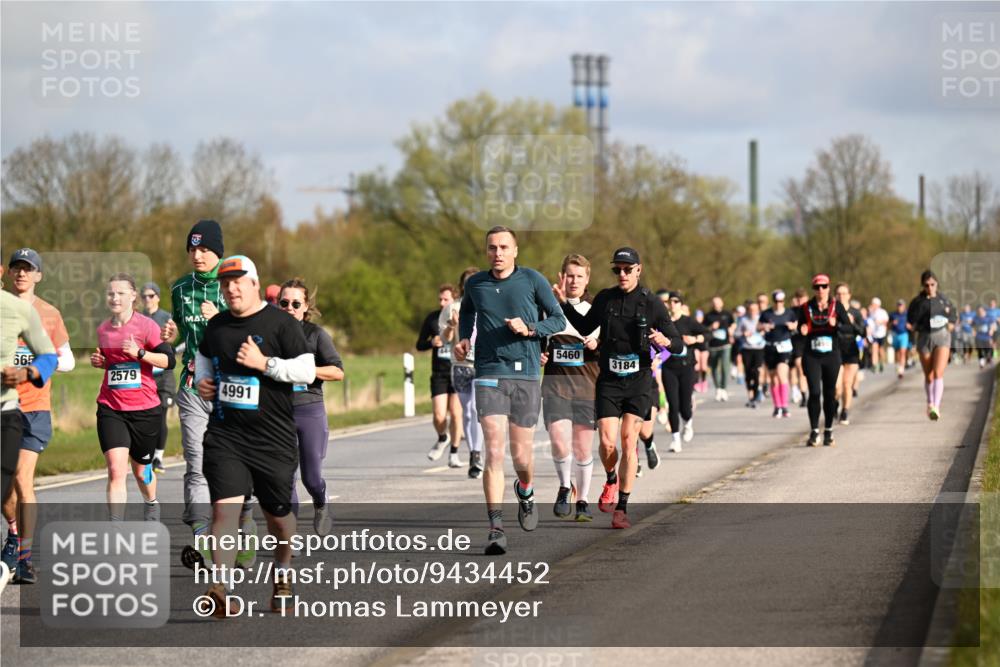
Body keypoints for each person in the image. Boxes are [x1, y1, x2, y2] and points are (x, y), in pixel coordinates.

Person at [195, 255, 315, 617]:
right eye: (225, 283)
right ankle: (221, 587)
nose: (230, 288)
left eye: (237, 281)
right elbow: (203, 355)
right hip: (226, 435)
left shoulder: (281, 324)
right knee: (224, 511)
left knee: (278, 518)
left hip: (272, 439)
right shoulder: (216, 326)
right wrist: (203, 381)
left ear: (253, 284)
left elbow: (307, 371)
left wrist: (265, 364)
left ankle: (282, 574)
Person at [454, 227, 566, 555]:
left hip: (527, 374)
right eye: (492, 248)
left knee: (521, 456)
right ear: (486, 252)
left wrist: (529, 328)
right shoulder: (475, 284)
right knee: (494, 451)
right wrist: (463, 339)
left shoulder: (532, 280)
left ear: (515, 251)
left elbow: (558, 320)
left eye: (504, 247)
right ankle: (495, 528)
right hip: (489, 372)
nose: (498, 253)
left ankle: (526, 489)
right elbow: (468, 313)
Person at [554, 247, 682, 530]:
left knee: (628, 441)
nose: (622, 274)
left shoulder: (652, 304)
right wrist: (563, 303)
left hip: (639, 381)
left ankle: (622, 507)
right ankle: (611, 478)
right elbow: (585, 327)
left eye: (627, 269)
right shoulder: (605, 299)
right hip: (609, 380)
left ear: (639, 269)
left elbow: (678, 342)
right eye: (617, 270)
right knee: (608, 443)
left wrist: (665, 340)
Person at [162, 220, 256, 569]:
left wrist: (221, 318)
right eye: (192, 249)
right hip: (192, 386)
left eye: (204, 249)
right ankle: (203, 539)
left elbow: (251, 331)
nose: (198, 255)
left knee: (238, 464)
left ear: (218, 251)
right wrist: (169, 333)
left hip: (232, 387)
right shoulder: (180, 288)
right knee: (197, 465)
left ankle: (244, 524)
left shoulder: (234, 285)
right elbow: (177, 333)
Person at [1, 250, 74, 585]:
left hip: (34, 409)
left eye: (28, 269)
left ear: (38, 276)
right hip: (6, 406)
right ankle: (15, 535)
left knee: (21, 476)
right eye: (17, 267)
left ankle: (25, 556)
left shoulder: (47, 313)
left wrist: (32, 369)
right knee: (6, 490)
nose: (21, 273)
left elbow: (66, 359)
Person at [92, 273, 175, 526]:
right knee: (116, 470)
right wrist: (103, 363)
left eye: (120, 293)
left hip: (145, 409)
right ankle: (116, 528)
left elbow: (169, 361)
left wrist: (140, 352)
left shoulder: (147, 326)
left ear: (132, 297)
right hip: (111, 406)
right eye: (110, 293)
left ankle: (151, 503)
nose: (114, 297)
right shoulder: (103, 329)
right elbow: (115, 365)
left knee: (141, 472)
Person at [279, 278, 343, 535]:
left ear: (306, 306)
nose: (290, 308)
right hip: (278, 413)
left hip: (310, 410)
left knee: (311, 478)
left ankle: (320, 501)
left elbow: (338, 371)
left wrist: (308, 370)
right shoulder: (269, 334)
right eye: (284, 303)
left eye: (296, 303)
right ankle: (289, 535)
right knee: (285, 479)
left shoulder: (315, 334)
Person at [541, 255, 600, 521]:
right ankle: (565, 487)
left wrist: (596, 346)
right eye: (569, 275)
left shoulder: (596, 310)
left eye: (579, 276)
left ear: (587, 278)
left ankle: (584, 500)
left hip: (587, 387)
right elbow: (537, 341)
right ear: (561, 277)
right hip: (555, 386)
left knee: (583, 448)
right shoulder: (547, 307)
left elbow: (610, 345)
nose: (574, 281)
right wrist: (539, 355)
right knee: (558, 440)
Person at [440, 268, 485, 479]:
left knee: (476, 409)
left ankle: (477, 453)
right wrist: (452, 325)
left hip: (483, 363)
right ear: (462, 286)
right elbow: (445, 338)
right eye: (467, 283)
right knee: (467, 411)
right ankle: (472, 452)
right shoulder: (453, 308)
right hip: (460, 364)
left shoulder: (487, 305)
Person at [800, 274, 850, 447]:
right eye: (817, 287)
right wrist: (802, 330)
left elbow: (848, 328)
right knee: (814, 392)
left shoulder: (837, 307)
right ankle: (814, 431)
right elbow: (798, 331)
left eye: (824, 286)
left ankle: (828, 430)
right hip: (812, 355)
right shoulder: (806, 307)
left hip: (831, 355)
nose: (820, 290)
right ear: (813, 289)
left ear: (829, 288)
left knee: (829, 394)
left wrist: (837, 324)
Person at [416, 285, 462, 466]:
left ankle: (454, 453)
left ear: (454, 300)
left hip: (459, 370)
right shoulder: (432, 318)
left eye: (446, 299)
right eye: (440, 299)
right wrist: (431, 343)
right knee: (438, 415)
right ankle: (443, 437)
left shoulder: (463, 316)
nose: (442, 302)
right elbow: (419, 344)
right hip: (439, 373)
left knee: (456, 414)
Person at [907, 270, 957, 421]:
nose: (930, 288)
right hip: (924, 337)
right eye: (927, 285)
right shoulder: (917, 302)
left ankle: (936, 406)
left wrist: (952, 324)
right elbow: (911, 319)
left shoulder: (944, 299)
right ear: (923, 286)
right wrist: (916, 323)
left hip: (942, 336)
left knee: (938, 373)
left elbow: (953, 315)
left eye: (932, 284)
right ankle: (929, 402)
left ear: (937, 284)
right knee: (928, 375)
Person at [660, 291, 706, 450]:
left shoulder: (688, 322)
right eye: (670, 301)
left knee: (685, 406)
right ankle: (675, 439)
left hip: (686, 367)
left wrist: (695, 339)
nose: (672, 304)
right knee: (673, 404)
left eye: (676, 301)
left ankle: (688, 423)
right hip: (668, 367)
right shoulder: (663, 322)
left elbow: (706, 334)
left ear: (681, 304)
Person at [141, 282, 175, 474]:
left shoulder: (166, 317)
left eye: (151, 296)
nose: (148, 299)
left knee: (161, 415)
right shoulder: (137, 318)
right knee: (148, 417)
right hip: (145, 375)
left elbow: (176, 341)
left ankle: (158, 458)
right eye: (144, 296)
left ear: (158, 297)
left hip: (164, 376)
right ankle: (146, 454)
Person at [759, 289, 797, 419]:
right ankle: (777, 406)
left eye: (781, 301)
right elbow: (758, 327)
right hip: (770, 347)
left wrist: (792, 326)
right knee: (773, 379)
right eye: (776, 301)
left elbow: (796, 324)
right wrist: (764, 327)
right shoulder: (766, 313)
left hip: (784, 347)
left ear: (784, 301)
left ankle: (785, 406)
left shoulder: (789, 313)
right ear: (773, 301)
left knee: (782, 375)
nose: (779, 303)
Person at [834, 284, 865, 426]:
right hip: (836, 349)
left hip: (851, 350)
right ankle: (835, 402)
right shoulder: (832, 311)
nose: (841, 296)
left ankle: (845, 411)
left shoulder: (856, 312)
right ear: (835, 295)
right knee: (836, 385)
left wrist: (852, 323)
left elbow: (863, 332)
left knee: (847, 383)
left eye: (844, 293)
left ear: (849, 295)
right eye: (838, 293)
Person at [704, 296, 734, 402]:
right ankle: (718, 389)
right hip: (713, 345)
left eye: (718, 302)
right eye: (714, 303)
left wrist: (731, 331)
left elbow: (733, 324)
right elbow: (703, 329)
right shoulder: (708, 316)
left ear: (722, 303)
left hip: (725, 345)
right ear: (712, 304)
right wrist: (711, 327)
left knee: (725, 367)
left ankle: (724, 388)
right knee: (714, 368)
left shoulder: (727, 314)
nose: (716, 304)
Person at [737, 301, 765, 408]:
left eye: (755, 309)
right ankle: (750, 396)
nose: (753, 311)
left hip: (759, 348)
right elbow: (736, 333)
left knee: (756, 371)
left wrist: (764, 330)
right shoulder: (743, 320)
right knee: (748, 372)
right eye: (751, 309)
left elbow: (769, 329)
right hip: (747, 348)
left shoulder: (761, 319)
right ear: (748, 310)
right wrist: (744, 333)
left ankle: (757, 392)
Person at [789, 288, 810, 407]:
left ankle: (803, 395)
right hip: (790, 342)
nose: (801, 300)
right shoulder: (791, 311)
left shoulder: (810, 310)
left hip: (803, 343)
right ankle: (794, 391)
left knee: (800, 369)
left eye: (803, 298)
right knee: (792, 371)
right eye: (798, 298)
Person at [889, 299, 911, 379]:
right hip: (895, 335)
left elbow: (912, 324)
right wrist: (892, 323)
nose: (899, 307)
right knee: (897, 352)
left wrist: (910, 326)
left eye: (901, 305)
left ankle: (901, 370)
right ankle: (898, 366)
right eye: (898, 305)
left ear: (904, 306)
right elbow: (888, 325)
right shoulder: (893, 315)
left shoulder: (907, 314)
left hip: (904, 334)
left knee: (902, 352)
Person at [869, 298, 889, 373]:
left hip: (881, 334)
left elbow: (886, 321)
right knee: (874, 349)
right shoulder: (871, 312)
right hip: (874, 334)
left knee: (880, 350)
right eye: (872, 304)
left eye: (874, 304)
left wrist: (880, 322)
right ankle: (875, 365)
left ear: (878, 305)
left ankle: (881, 362)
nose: (873, 305)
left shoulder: (882, 312)